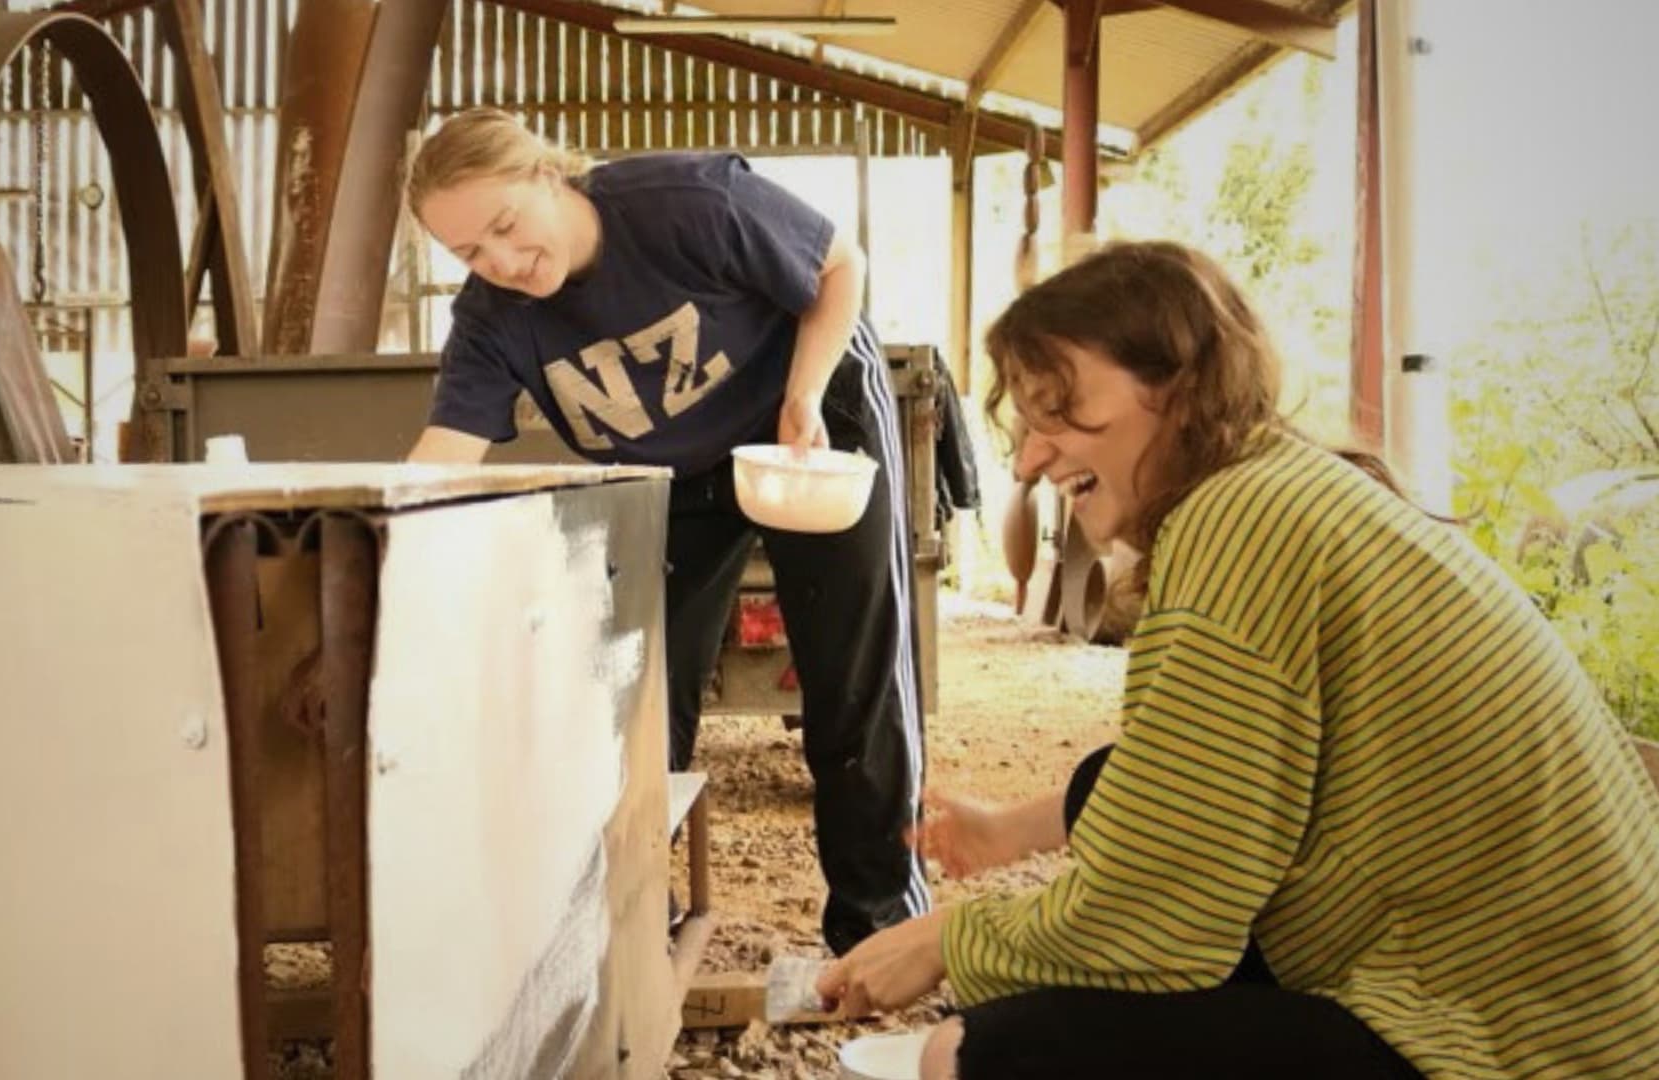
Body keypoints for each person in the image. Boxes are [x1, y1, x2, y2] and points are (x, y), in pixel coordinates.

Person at [817, 240, 1659, 1078]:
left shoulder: (1238, 525)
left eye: (1061, 408)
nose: (1032, 458)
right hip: (1568, 1011)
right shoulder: (1280, 487)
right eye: (1027, 423)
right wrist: (1007, 835)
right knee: (1022, 993)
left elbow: (1156, 922)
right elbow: (1182, 773)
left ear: (1178, 388)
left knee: (981, 1052)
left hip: (1515, 1042)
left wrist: (945, 938)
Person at [401, 108, 928, 954]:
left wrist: (802, 392)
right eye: (468, 253)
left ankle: (879, 926)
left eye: (503, 227)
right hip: (676, 470)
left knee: (853, 666)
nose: (499, 262)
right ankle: (623, 929)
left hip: (804, 411)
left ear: (548, 174)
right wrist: (372, 540)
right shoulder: (492, 319)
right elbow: (442, 458)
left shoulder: (688, 201)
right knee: (638, 689)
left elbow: (839, 265)